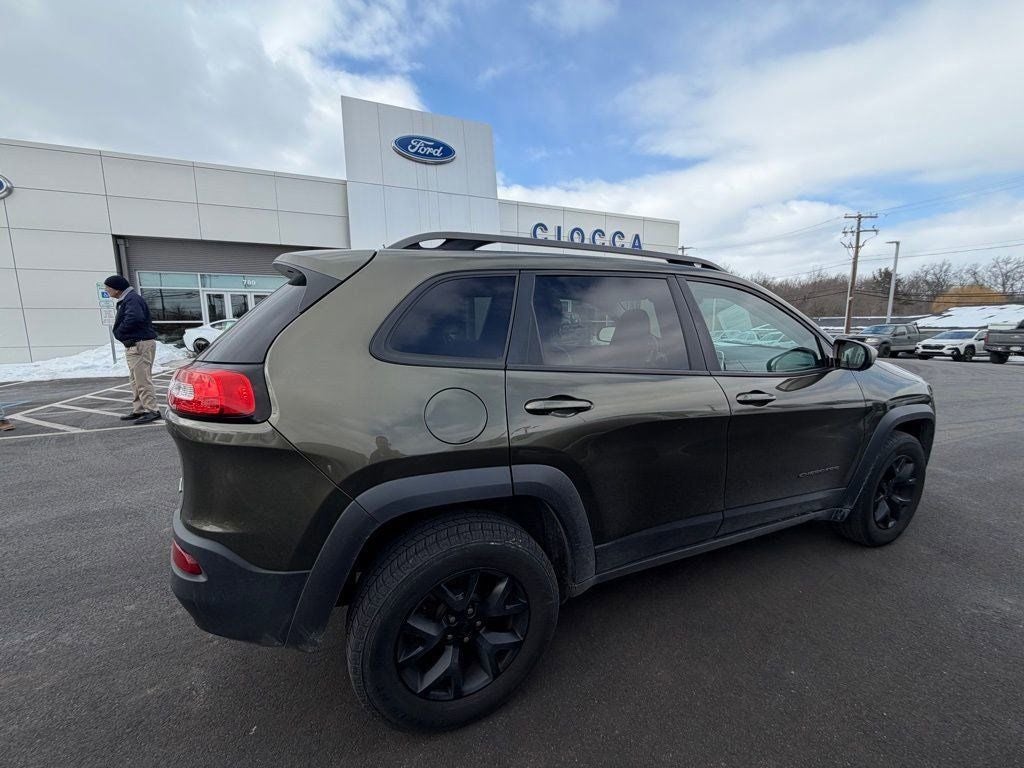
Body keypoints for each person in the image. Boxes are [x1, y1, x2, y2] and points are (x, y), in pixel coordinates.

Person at [103, 275, 161, 424]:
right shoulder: (128, 299)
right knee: (135, 380)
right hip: (135, 345)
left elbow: (135, 318)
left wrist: (120, 332)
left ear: (116, 288)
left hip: (140, 344)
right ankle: (139, 410)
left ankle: (152, 411)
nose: (106, 290)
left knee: (142, 380)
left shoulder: (132, 299)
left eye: (108, 287)